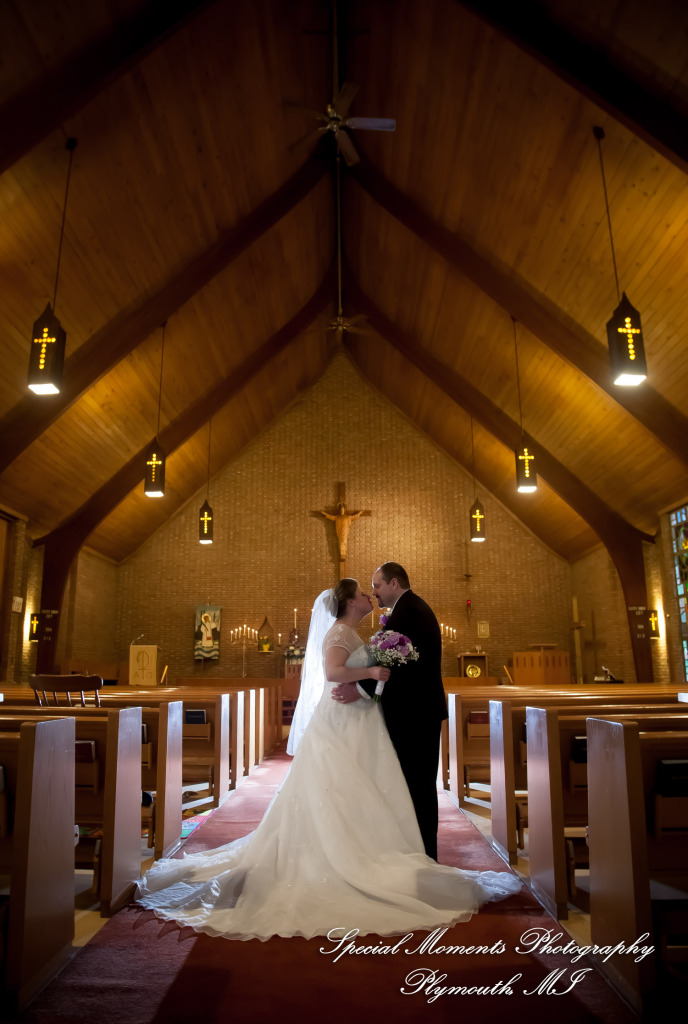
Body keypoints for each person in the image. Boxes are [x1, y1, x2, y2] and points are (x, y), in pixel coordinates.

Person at [135, 580, 520, 941]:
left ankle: (369, 847)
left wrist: (370, 679)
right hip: (341, 720)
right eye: (364, 594)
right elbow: (333, 672)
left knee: (363, 783)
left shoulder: (353, 633)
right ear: (350, 602)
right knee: (337, 783)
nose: (370, 597)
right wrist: (370, 671)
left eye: (374, 590)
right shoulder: (338, 632)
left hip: (361, 717)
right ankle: (345, 856)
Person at [331, 562, 446, 860]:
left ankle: (425, 856)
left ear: (394, 584)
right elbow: (388, 662)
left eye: (377, 586)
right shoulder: (408, 610)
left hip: (415, 716)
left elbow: (395, 666)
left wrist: (357, 688)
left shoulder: (410, 613)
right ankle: (419, 853)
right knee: (413, 785)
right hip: (415, 713)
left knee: (418, 786)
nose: (374, 593)